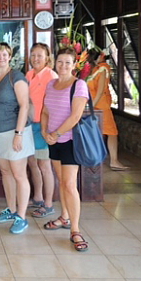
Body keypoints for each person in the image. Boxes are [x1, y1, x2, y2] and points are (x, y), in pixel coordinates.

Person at [42, 47, 89, 252]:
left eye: (67, 62)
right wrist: (45, 132)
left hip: (69, 140)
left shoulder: (79, 85)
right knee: (62, 181)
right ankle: (64, 217)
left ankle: (75, 230)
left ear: (74, 65)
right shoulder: (51, 84)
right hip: (53, 141)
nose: (63, 66)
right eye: (60, 62)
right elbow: (44, 111)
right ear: (55, 63)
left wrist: (57, 134)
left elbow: (75, 116)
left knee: (70, 185)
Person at [0, 42, 34, 234]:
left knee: (19, 174)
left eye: (5, 54)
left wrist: (19, 134)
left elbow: (24, 105)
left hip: (16, 132)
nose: (1, 57)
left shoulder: (16, 76)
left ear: (10, 56)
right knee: (5, 172)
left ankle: (21, 216)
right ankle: (11, 209)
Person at [25, 43, 58, 218]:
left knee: (45, 165)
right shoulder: (29, 74)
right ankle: (37, 197)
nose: (36, 59)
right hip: (29, 124)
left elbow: (52, 104)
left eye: (40, 55)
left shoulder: (51, 76)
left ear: (47, 58)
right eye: (33, 55)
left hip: (43, 126)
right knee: (32, 163)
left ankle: (48, 203)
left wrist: (48, 129)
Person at [86, 48, 128, 171]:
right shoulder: (102, 69)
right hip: (101, 106)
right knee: (112, 133)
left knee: (95, 133)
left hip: (90, 105)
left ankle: (93, 160)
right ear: (100, 57)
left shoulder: (89, 71)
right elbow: (100, 92)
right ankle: (114, 160)